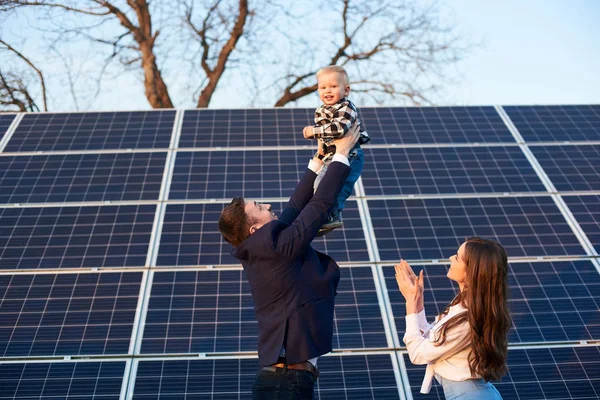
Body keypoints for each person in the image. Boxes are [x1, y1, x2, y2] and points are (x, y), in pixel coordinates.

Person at [218, 124, 361, 400]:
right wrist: (342, 155)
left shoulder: (265, 249)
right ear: (254, 230)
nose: (269, 206)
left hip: (284, 380)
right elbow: (318, 207)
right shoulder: (274, 247)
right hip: (287, 383)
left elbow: (293, 209)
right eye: (260, 207)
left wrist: (318, 162)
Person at [395, 237, 511, 399]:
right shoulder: (466, 305)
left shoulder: (468, 318)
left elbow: (418, 354)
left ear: (471, 271)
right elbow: (435, 338)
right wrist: (417, 300)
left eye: (457, 257)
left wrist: (410, 302)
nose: (450, 258)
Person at [302, 65, 370, 236]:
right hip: (332, 156)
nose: (328, 91)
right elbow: (323, 136)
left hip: (351, 155)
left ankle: (330, 215)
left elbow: (338, 129)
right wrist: (319, 147)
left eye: (333, 86)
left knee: (339, 186)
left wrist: (313, 131)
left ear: (346, 90)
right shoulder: (320, 111)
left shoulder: (346, 107)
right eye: (323, 87)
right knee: (318, 185)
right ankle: (327, 216)